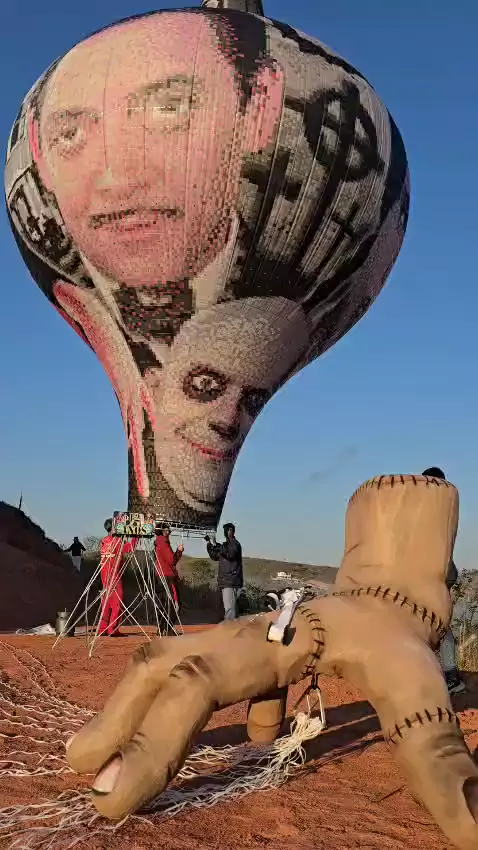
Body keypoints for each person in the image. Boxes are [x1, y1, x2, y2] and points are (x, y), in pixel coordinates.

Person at [422, 466, 465, 694]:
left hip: (439, 572)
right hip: (435, 572)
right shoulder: (437, 506)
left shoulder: (440, 507)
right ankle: (447, 674)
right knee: (432, 622)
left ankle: (451, 676)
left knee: (439, 623)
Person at [98, 519, 138, 637]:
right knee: (117, 604)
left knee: (106, 604)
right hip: (114, 577)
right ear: (114, 528)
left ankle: (102, 629)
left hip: (104, 577)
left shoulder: (104, 541)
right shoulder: (117, 541)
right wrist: (136, 536)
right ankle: (112, 629)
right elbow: (130, 548)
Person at [206, 522, 243, 620]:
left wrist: (215, 544)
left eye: (228, 529)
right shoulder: (224, 546)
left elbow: (230, 553)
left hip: (231, 581)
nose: (226, 532)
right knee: (230, 609)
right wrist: (209, 544)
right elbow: (214, 556)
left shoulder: (235, 544)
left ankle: (229, 627)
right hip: (226, 581)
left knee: (230, 610)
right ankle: (232, 627)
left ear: (232, 531)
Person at [154, 524, 184, 634]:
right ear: (162, 531)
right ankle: (168, 628)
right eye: (167, 529)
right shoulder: (163, 542)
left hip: (161, 575)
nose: (169, 531)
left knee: (163, 603)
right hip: (167, 576)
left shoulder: (159, 542)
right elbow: (172, 560)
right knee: (174, 602)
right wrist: (179, 551)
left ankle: (162, 628)